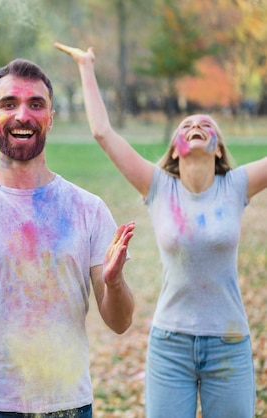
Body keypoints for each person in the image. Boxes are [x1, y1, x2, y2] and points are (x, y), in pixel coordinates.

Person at [55, 42, 267, 418]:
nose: (196, 126)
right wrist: (87, 67)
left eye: (206, 125)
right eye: (187, 125)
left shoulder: (235, 185)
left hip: (229, 343)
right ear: (175, 148)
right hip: (171, 345)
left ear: (218, 149)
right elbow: (103, 133)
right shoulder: (158, 186)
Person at [0, 58, 136, 417]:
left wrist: (114, 283)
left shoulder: (89, 209)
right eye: (9, 104)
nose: (22, 115)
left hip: (66, 404)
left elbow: (120, 323)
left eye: (35, 104)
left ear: (50, 118)